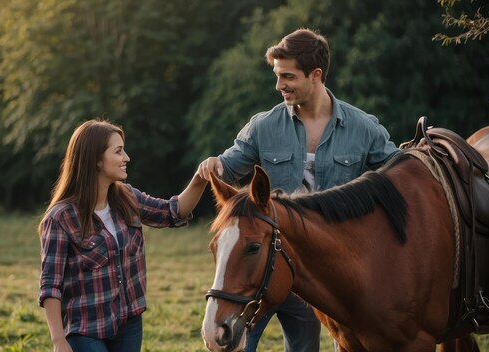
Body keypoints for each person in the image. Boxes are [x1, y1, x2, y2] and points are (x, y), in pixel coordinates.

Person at [198, 28, 398, 352]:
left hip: (316, 276)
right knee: (229, 346)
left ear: (316, 75)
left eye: (287, 76)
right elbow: (230, 163)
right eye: (277, 76)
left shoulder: (364, 128)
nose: (279, 86)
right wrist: (214, 165)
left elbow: (397, 177)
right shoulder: (263, 126)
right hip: (262, 262)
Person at [38, 119, 207, 352]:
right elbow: (50, 285)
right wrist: (58, 340)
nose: (126, 158)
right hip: (85, 329)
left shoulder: (127, 197)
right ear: (96, 160)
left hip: (129, 323)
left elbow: (172, 211)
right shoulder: (60, 218)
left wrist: (200, 177)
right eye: (118, 151)